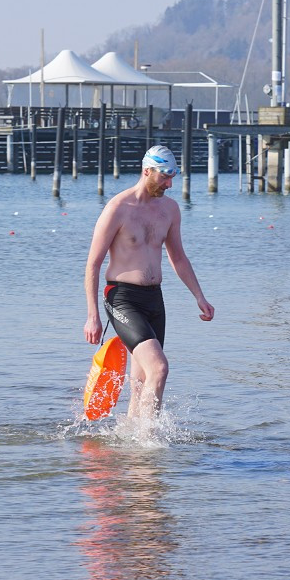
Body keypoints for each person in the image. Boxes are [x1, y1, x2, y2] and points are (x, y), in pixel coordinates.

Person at [84, 145, 214, 419]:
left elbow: (178, 257)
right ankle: (150, 441)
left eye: (173, 176)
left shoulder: (170, 209)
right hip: (122, 299)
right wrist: (92, 316)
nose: (169, 183)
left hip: (155, 300)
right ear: (147, 171)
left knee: (142, 381)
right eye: (164, 176)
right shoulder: (118, 208)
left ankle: (131, 442)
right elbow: (93, 264)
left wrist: (199, 297)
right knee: (160, 369)